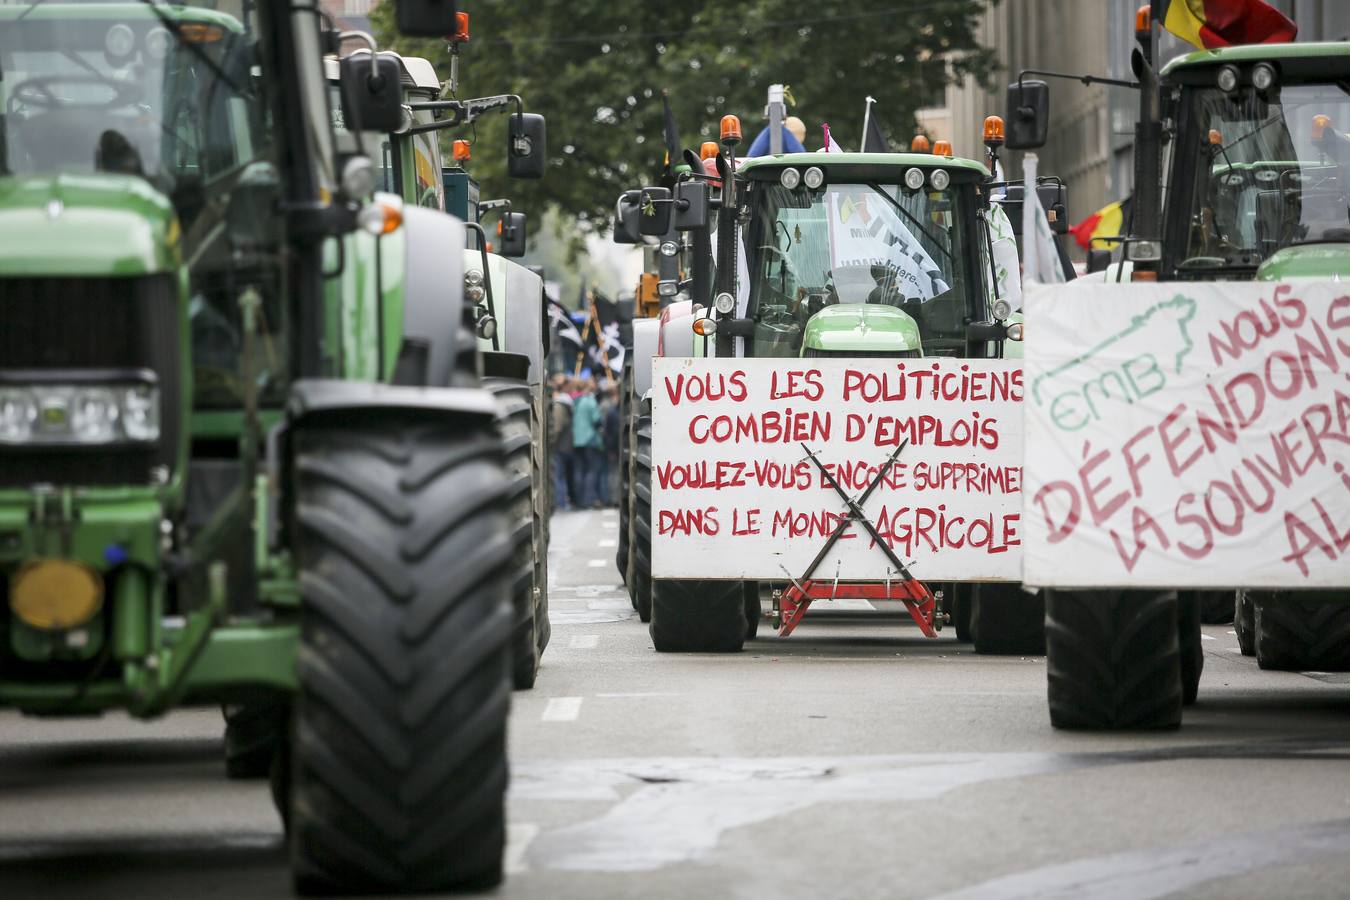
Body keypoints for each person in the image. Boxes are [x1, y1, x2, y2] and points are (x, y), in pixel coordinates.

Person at [571, 377, 604, 509]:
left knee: (578, 471)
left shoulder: (575, 402)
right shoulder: (590, 401)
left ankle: (578, 500)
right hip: (589, 440)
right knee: (591, 471)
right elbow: (597, 420)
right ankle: (588, 499)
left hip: (576, 440)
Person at [549, 376, 575, 511]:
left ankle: (560, 503)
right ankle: (563, 502)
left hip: (560, 445)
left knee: (558, 476)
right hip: (567, 444)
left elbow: (557, 427)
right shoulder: (568, 403)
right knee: (562, 475)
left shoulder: (559, 406)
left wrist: (551, 442)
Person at [599, 383, 621, 507]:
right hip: (614, 448)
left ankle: (613, 498)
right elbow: (610, 433)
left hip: (613, 447)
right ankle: (613, 499)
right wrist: (611, 450)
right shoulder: (613, 411)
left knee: (612, 474)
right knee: (613, 474)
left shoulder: (613, 411)